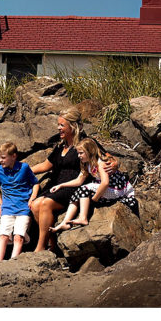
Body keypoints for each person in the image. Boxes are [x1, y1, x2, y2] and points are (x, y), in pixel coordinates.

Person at [29, 108, 118, 252]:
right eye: (58, 125)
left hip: (75, 186)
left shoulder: (86, 143)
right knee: (35, 204)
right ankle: (51, 242)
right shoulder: (60, 146)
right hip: (57, 185)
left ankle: (40, 247)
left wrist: (115, 163)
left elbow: (108, 157)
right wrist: (21, 171)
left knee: (44, 204)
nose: (59, 128)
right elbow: (45, 165)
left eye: (62, 125)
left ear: (72, 126)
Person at [49, 138, 136, 231]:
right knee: (78, 193)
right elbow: (79, 180)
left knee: (84, 189)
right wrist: (61, 185)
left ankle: (83, 218)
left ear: (90, 152)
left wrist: (95, 198)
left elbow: (105, 182)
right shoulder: (87, 164)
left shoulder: (100, 163)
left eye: (81, 153)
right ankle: (65, 222)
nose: (79, 156)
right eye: (78, 153)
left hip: (117, 188)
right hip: (107, 187)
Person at [0, 143, 40, 261]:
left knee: (18, 237)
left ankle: (13, 262)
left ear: (13, 156)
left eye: (3, 158)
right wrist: (0, 203)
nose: (0, 160)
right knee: (3, 235)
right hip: (7, 207)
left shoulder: (24, 168)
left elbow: (35, 183)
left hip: (23, 207)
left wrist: (32, 198)